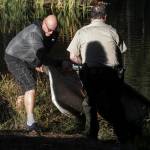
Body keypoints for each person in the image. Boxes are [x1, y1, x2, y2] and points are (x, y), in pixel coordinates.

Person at [67, 3, 130, 142]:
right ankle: (123, 136)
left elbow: (72, 57)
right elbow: (122, 51)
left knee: (89, 103)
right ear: (105, 17)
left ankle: (91, 134)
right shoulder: (112, 30)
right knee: (115, 103)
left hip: (91, 74)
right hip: (111, 74)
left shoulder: (81, 32)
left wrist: (83, 64)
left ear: (91, 17)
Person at [4, 15, 58, 131]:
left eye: (54, 30)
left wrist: (41, 65)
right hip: (14, 58)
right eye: (49, 30)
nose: (51, 33)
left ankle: (19, 117)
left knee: (24, 89)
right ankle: (30, 123)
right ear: (44, 24)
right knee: (30, 87)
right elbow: (42, 55)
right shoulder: (34, 33)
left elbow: (42, 54)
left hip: (26, 57)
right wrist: (58, 63)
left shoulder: (51, 33)